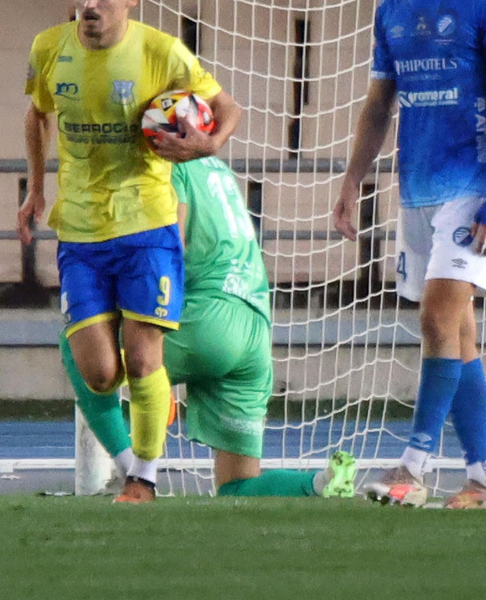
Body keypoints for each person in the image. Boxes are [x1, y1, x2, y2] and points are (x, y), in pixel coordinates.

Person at [16, 0, 242, 504]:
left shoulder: (162, 52)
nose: (87, 4)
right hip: (81, 231)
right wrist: (36, 188)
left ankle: (142, 478)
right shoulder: (49, 48)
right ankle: (151, 405)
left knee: (143, 357)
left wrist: (208, 143)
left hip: (147, 224)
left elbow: (228, 107)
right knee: (98, 373)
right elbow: (37, 115)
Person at [332, 0, 486, 510]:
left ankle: (412, 468)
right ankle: (485, 482)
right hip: (414, 187)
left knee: (437, 320)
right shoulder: (391, 8)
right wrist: (351, 181)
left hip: (471, 188)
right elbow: (376, 108)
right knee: (460, 336)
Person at [63, 155, 357, 498]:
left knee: (79, 338)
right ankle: (320, 485)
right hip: (253, 328)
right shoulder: (214, 166)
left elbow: (171, 252)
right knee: (237, 486)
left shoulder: (165, 166)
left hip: (207, 319)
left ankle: (132, 471)